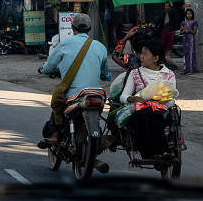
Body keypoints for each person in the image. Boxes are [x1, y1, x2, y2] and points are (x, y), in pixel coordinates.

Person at [37, 13, 111, 147]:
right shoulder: (100, 47)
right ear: (89, 28)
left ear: (72, 27)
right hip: (96, 93)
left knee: (58, 103)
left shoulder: (65, 43)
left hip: (73, 96)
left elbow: (49, 66)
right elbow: (105, 74)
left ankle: (55, 135)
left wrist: (42, 69)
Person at [119, 39, 177, 160]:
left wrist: (156, 103)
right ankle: (162, 152)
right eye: (141, 53)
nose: (141, 57)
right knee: (145, 113)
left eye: (145, 54)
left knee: (151, 112)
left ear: (155, 58)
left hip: (161, 111)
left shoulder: (168, 74)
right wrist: (132, 99)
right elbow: (123, 96)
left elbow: (171, 99)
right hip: (140, 112)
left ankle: (154, 152)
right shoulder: (135, 73)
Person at [153, 1, 179, 70]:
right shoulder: (162, 13)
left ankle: (168, 55)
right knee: (163, 42)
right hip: (163, 29)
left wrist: (172, 5)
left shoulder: (172, 13)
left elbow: (174, 13)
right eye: (165, 6)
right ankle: (165, 55)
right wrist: (154, 24)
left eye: (168, 6)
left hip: (170, 29)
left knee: (170, 43)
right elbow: (158, 20)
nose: (166, 7)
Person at [179, 8, 198, 74]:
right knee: (185, 54)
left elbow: (194, 32)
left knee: (191, 54)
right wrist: (184, 30)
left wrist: (189, 30)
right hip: (185, 38)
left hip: (191, 39)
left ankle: (191, 69)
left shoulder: (194, 22)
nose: (189, 15)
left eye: (190, 13)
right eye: (187, 14)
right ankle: (186, 69)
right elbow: (180, 32)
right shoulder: (183, 23)